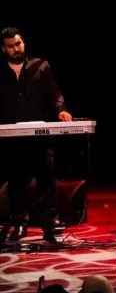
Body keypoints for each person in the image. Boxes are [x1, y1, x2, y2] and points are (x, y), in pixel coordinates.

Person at [0, 27, 74, 243]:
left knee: (47, 180)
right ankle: (19, 224)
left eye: (18, 44)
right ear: (3, 49)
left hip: (40, 138)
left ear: (23, 43)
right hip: (12, 139)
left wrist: (61, 110)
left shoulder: (40, 66)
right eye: (11, 46)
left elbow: (54, 93)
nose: (16, 49)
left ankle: (50, 224)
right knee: (16, 182)